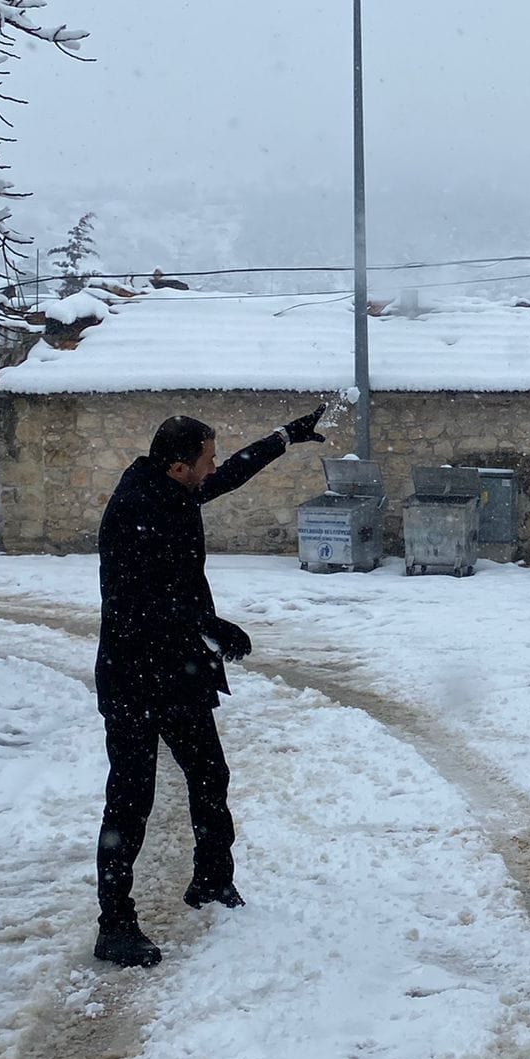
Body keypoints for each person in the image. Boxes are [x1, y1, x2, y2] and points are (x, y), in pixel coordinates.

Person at [92, 406, 327, 968]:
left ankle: (212, 881)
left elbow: (222, 479)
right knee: (130, 801)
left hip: (176, 674)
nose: (213, 466)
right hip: (134, 676)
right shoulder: (137, 509)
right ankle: (114, 925)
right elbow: (142, 600)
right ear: (179, 466)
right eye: (206, 456)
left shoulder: (169, 489)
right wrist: (210, 626)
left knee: (209, 773)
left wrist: (281, 439)